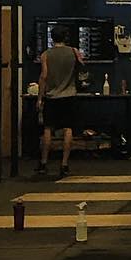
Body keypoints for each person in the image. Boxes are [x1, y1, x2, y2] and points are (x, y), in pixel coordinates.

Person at [36, 24, 83, 178]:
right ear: (66, 37)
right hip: (69, 96)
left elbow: (44, 76)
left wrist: (40, 98)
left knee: (48, 129)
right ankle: (64, 164)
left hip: (52, 97)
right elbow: (82, 67)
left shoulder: (46, 55)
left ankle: (43, 163)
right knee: (68, 129)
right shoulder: (74, 52)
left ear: (52, 38)